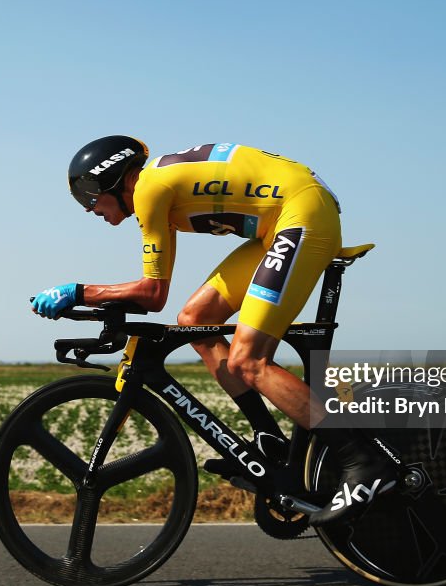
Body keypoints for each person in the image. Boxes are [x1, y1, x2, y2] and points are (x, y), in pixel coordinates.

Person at [31, 135, 394, 524]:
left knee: (249, 360)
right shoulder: (157, 192)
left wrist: (78, 292)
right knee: (195, 320)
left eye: (87, 193)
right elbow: (157, 296)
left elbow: (152, 294)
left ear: (114, 178)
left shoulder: (150, 190)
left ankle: (364, 462)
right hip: (281, 221)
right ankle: (267, 438)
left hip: (302, 214)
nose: (88, 208)